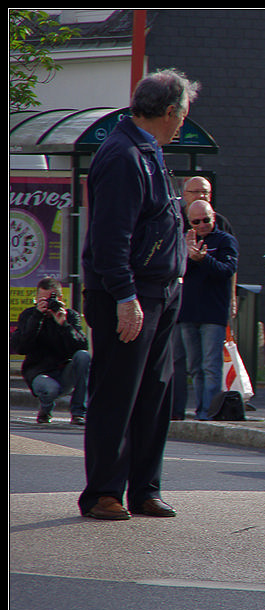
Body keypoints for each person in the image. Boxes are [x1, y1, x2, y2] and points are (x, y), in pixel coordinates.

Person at [78, 68, 200, 521]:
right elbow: (111, 239)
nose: (183, 123)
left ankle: (145, 488)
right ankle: (104, 492)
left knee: (155, 394)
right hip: (129, 295)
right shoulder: (123, 155)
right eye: (182, 114)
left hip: (161, 291)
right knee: (118, 393)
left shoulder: (146, 150)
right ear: (169, 112)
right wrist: (126, 297)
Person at [178, 199, 239, 420]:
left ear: (213, 217)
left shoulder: (225, 241)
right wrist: (187, 256)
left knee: (211, 365)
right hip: (187, 312)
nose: (202, 225)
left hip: (213, 313)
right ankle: (201, 409)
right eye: (196, 221)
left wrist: (204, 259)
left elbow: (227, 270)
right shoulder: (183, 240)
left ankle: (209, 412)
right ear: (189, 222)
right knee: (195, 366)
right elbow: (174, 270)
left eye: (206, 220)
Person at [11, 277, 91, 425]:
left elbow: (81, 346)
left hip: (63, 371)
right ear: (36, 299)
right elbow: (20, 347)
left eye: (51, 299)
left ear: (60, 299)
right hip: (38, 372)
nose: (47, 304)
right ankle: (45, 410)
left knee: (83, 356)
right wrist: (37, 317)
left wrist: (64, 324)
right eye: (42, 300)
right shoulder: (29, 315)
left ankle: (79, 412)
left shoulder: (70, 316)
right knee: (50, 388)